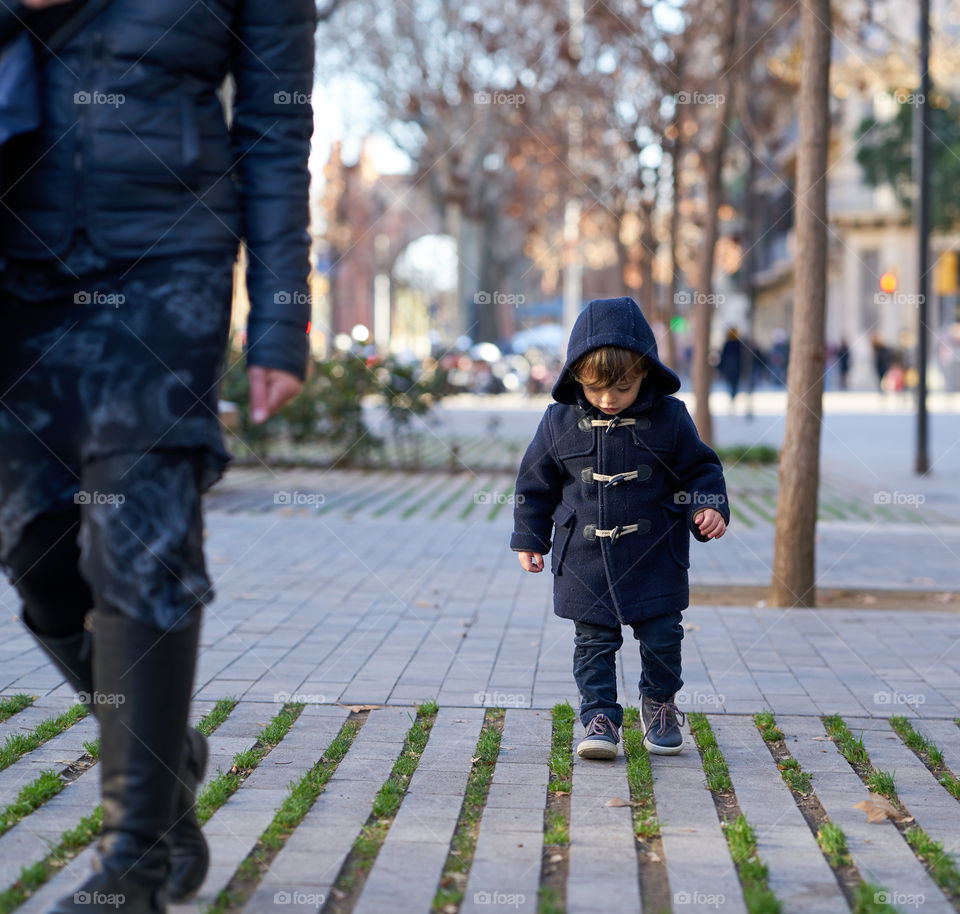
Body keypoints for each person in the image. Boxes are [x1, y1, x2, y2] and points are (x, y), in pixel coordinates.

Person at [0, 1, 315, 911]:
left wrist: (281, 318)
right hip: (20, 257)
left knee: (138, 538)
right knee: (37, 554)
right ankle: (164, 752)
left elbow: (274, 117)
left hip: (165, 263)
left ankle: (132, 856)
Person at [510, 298, 729, 759]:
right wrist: (530, 538)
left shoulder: (670, 419)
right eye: (596, 389)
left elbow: (701, 470)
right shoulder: (559, 422)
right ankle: (599, 717)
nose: (609, 399)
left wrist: (707, 508)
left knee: (664, 635)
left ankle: (660, 705)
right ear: (576, 378)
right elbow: (535, 484)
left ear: (645, 374)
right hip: (584, 558)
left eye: (623, 388)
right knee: (593, 642)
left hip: (655, 553)